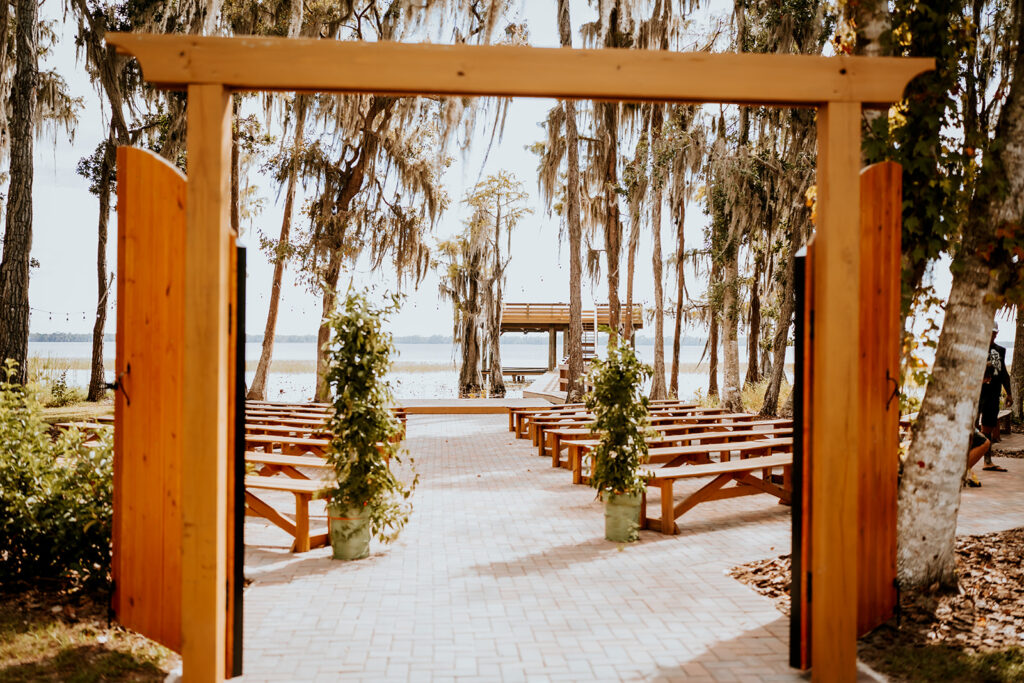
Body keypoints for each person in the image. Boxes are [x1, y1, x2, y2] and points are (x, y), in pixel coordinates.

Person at [978, 322, 1013, 470]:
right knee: (970, 425)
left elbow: (1004, 373)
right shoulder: (975, 349)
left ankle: (987, 461)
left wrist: (1009, 393)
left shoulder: (999, 350)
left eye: (994, 333)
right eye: (990, 332)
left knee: (988, 425)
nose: (993, 335)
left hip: (993, 393)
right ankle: (966, 460)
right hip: (977, 393)